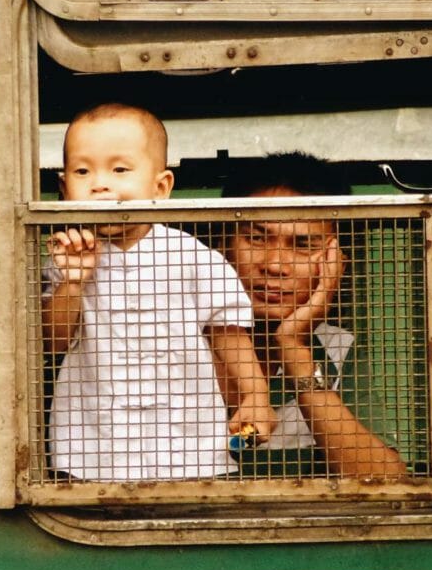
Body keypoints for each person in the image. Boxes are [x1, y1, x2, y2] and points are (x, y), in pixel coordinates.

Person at [42, 103, 274, 481]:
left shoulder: (195, 258)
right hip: (94, 449)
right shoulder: (65, 255)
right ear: (64, 189)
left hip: (188, 447)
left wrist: (256, 397)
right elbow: (52, 343)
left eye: (119, 169)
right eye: (82, 171)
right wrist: (72, 281)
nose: (100, 183)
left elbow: (227, 334)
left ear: (161, 186)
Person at [219, 151, 406, 478]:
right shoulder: (173, 336)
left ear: (335, 263)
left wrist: (293, 346)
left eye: (303, 244)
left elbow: (384, 479)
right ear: (222, 246)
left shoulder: (335, 347)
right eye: (257, 238)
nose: (275, 265)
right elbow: (232, 447)